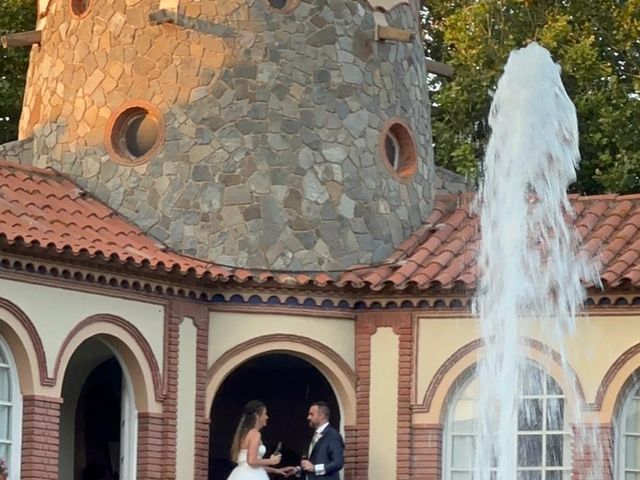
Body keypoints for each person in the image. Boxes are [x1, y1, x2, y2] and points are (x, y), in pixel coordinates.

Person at [281, 401, 345, 480]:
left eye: (311, 414)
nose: (308, 417)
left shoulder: (333, 436)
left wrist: (315, 468)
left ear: (321, 416)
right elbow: (313, 462)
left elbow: (338, 463)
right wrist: (299, 469)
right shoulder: (315, 434)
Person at [228, 400, 288, 479]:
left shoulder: (246, 433)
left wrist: (275, 470)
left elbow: (253, 466)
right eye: (265, 414)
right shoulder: (255, 434)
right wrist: (271, 460)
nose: (267, 417)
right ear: (257, 416)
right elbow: (251, 461)